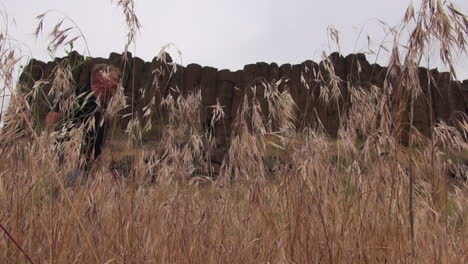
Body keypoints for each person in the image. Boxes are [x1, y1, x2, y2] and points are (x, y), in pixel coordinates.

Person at [46, 63, 120, 172]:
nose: (117, 84)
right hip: (66, 163)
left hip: (86, 169)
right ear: (101, 76)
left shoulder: (105, 108)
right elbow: (51, 119)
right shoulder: (77, 94)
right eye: (114, 79)